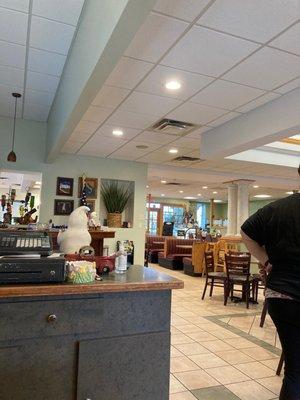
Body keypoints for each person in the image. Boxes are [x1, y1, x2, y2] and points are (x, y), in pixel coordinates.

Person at [240, 164, 300, 400]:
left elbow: (246, 231)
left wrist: (265, 260)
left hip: (282, 296)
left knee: (295, 370)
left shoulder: (277, 208)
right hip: (284, 293)